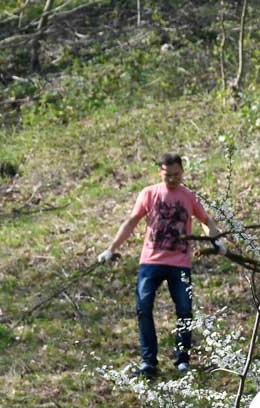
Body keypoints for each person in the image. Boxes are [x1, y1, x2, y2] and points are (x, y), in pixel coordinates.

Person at [97, 153, 226, 378]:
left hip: (180, 263)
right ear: (161, 173)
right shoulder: (149, 193)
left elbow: (206, 221)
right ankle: (149, 362)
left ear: (182, 172)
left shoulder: (189, 196)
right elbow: (131, 221)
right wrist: (111, 249)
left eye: (176, 175)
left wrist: (216, 241)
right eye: (168, 175)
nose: (172, 179)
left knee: (185, 309)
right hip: (151, 261)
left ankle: (183, 359)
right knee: (143, 308)